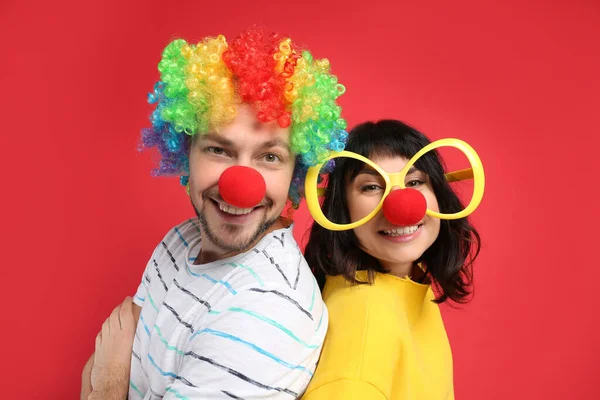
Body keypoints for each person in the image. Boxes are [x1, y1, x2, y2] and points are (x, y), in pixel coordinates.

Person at [80, 27, 348, 400]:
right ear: (186, 151)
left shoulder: (266, 313)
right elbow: (103, 354)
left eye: (269, 157)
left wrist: (108, 385)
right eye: (219, 150)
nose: (241, 183)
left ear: (296, 172)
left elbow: (106, 366)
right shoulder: (180, 240)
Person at [301, 119, 484, 399]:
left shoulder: (406, 286)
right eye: (372, 187)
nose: (401, 204)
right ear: (342, 210)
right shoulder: (366, 313)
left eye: (414, 182)